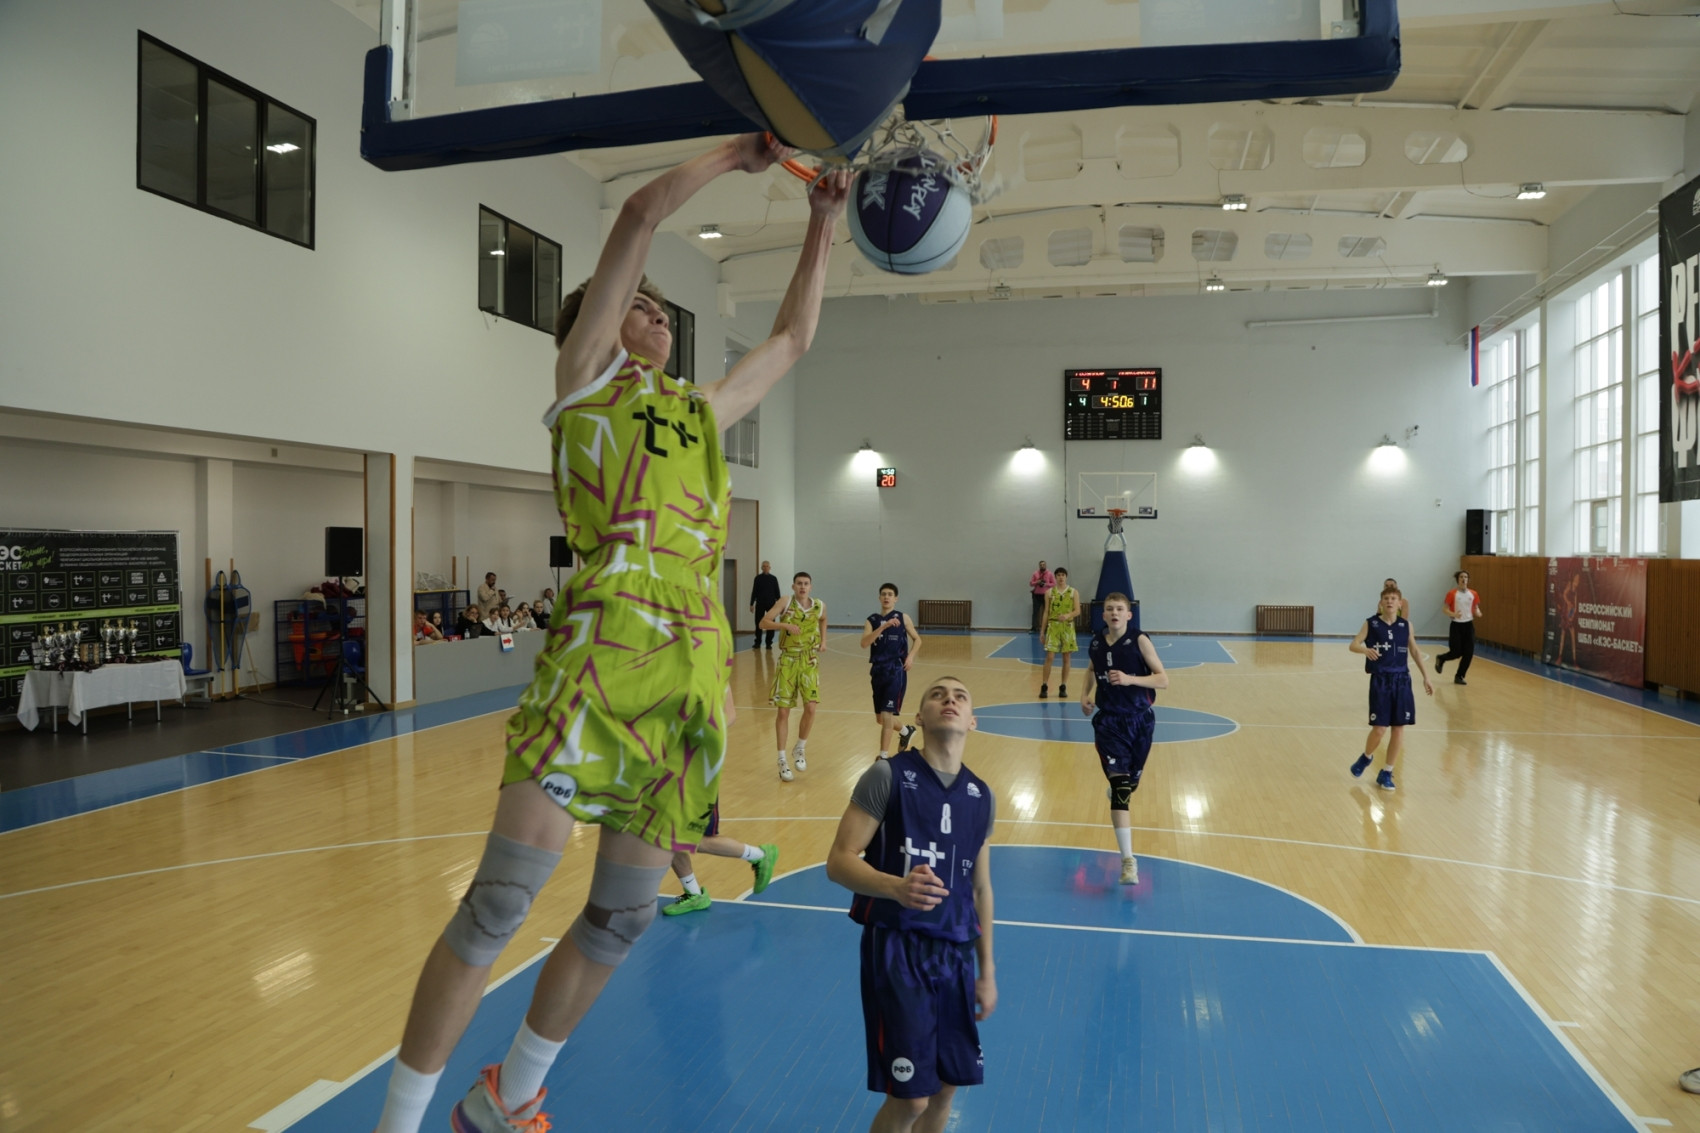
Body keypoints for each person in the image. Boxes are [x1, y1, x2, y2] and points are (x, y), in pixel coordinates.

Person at [370, 135, 850, 1133]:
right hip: (601, 650)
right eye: (638, 303)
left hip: (685, 670)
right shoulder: (583, 381)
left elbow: (796, 338)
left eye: (661, 310)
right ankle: (398, 1121)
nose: (656, 314)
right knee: (500, 901)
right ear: (596, 323)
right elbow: (637, 215)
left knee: (626, 912)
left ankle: (508, 1095)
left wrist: (823, 219)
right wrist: (737, 155)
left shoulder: (701, 411)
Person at [826, 676, 996, 1133]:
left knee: (947, 1088)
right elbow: (838, 862)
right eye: (938, 694)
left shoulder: (981, 796)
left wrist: (987, 972)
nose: (950, 700)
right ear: (919, 717)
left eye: (960, 696)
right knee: (911, 1100)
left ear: (972, 721)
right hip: (897, 951)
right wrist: (896, 888)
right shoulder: (887, 776)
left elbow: (980, 889)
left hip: (955, 955)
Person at [1079, 592, 1168, 885]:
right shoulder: (1095, 643)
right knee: (1120, 789)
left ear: (1129, 615)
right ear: (1103, 615)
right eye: (1109, 609)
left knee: (1131, 785)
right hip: (1109, 723)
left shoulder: (1140, 640)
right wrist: (1085, 694)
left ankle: (1123, 788)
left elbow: (1163, 679)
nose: (1114, 613)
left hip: (1140, 722)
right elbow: (1091, 669)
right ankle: (1128, 861)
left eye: (1120, 609)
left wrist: (1130, 679)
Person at [1349, 585, 1434, 792]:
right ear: (1381, 603)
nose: (1389, 601)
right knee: (1379, 729)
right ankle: (1366, 757)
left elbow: (1415, 651)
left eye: (1393, 598)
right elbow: (1353, 644)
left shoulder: (1406, 625)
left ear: (1400, 603)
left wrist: (1426, 677)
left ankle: (1387, 772)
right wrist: (1365, 650)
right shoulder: (1371, 623)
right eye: (1386, 598)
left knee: (1398, 728)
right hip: (1381, 680)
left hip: (1402, 680)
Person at [658, 803, 778, 916]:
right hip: (671, 791)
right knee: (667, 835)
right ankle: (694, 895)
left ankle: (759, 855)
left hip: (694, 791)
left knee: (685, 839)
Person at [763, 571, 826, 782]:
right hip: (788, 660)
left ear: (811, 586)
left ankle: (799, 747)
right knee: (783, 712)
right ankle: (781, 760)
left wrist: (823, 640)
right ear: (793, 586)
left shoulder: (819, 605)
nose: (802, 586)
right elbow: (764, 622)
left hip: (809, 661)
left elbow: (823, 619)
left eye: (806, 583)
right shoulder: (785, 601)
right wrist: (784, 625)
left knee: (811, 707)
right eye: (799, 583)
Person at [859, 582, 921, 760]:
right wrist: (883, 627)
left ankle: (883, 756)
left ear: (896, 599)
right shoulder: (871, 620)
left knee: (887, 715)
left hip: (895, 670)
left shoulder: (903, 618)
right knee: (880, 719)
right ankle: (906, 731)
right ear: (879, 598)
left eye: (890, 594)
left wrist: (910, 657)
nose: (886, 597)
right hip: (877, 671)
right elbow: (864, 643)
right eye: (884, 594)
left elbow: (917, 639)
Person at [1434, 569, 1481, 685]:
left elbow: (1475, 607)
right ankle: (1441, 658)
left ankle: (1459, 676)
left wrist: (1478, 612)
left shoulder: (1473, 594)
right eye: (1461, 577)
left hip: (1468, 626)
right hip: (1456, 626)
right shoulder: (1452, 594)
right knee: (1456, 652)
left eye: (1465, 577)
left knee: (1468, 653)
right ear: (1458, 580)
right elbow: (1445, 609)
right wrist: (1454, 614)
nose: (1464, 579)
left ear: (1468, 580)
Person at [1039, 567, 1080, 700]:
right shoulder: (1049, 592)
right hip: (1053, 626)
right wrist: (1042, 631)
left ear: (1066, 577)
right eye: (1058, 575)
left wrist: (1067, 615)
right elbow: (1046, 612)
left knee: (1066, 657)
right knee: (1050, 656)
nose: (1061, 577)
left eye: (1063, 575)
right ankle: (1044, 685)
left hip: (1067, 627)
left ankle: (1063, 686)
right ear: (1055, 577)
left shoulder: (1073, 592)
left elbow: (1077, 610)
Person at [749, 560, 781, 650]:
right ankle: (757, 642)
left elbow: (777, 592)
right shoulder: (757, 578)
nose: (765, 567)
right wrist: (751, 604)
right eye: (764, 566)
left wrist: (779, 605)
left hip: (771, 604)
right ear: (761, 568)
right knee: (758, 623)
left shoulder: (773, 578)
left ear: (770, 568)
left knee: (771, 623)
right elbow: (754, 592)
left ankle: (768, 643)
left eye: (767, 566)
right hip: (760, 603)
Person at [1028, 560, 1054, 635]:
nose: (1042, 566)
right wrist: (1037, 582)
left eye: (1043, 565)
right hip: (1036, 595)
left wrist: (1046, 584)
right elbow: (1031, 583)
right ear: (1039, 566)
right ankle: (1034, 628)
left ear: (1046, 565)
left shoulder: (1050, 573)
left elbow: (1054, 584)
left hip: (1046, 595)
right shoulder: (1035, 573)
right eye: (1041, 565)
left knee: (1047, 611)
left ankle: (1049, 627)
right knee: (1035, 612)